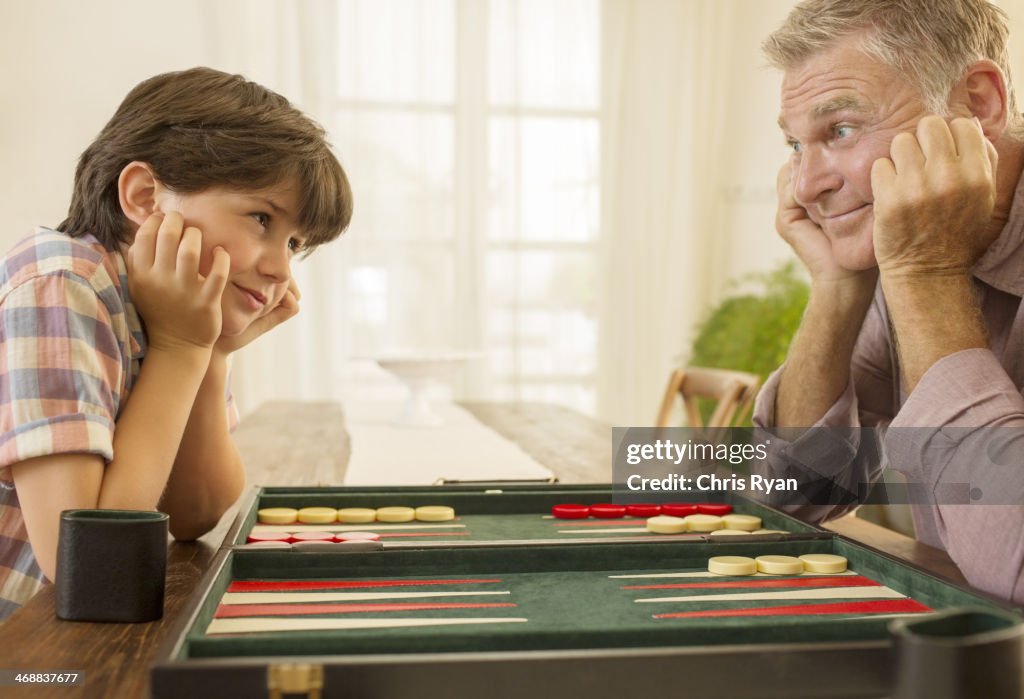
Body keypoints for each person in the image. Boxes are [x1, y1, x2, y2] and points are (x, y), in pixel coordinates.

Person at [0, 67, 353, 621]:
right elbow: (90, 566)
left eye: (295, 243)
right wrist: (183, 347)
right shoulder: (60, 280)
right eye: (262, 218)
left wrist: (209, 354)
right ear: (145, 197)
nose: (281, 267)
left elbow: (194, 513)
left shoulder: (168, 307)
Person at [752, 0, 1024, 604]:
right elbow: (793, 496)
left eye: (840, 130)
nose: (804, 185)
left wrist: (926, 274)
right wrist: (837, 286)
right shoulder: (899, 244)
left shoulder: (918, 252)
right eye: (796, 145)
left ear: (978, 104)